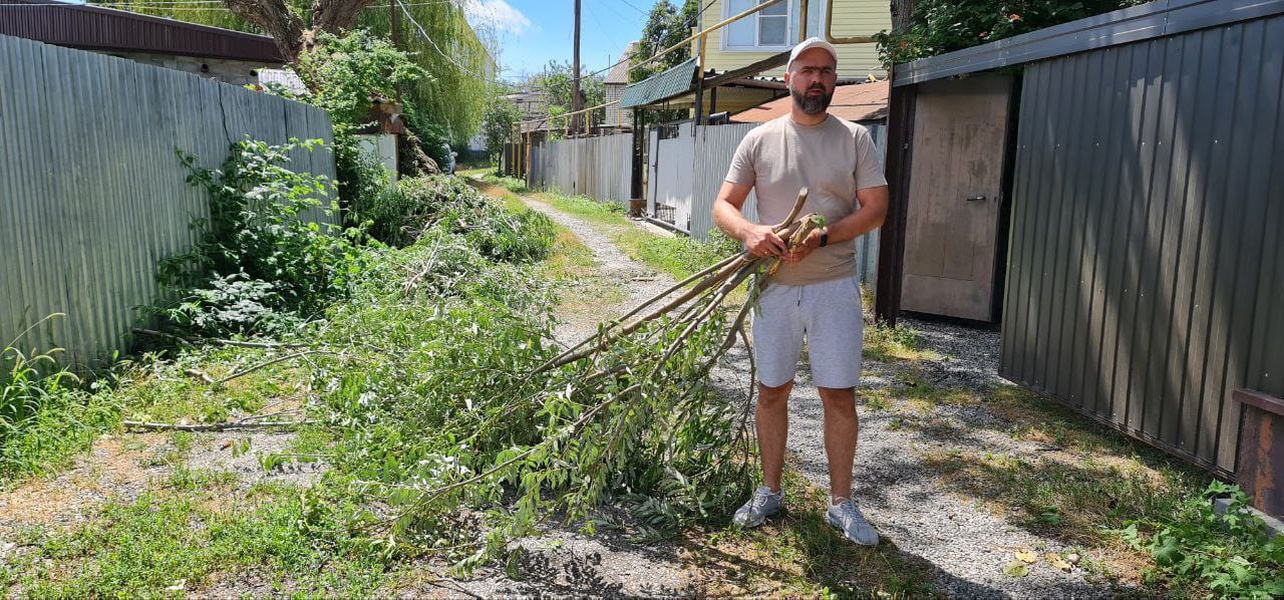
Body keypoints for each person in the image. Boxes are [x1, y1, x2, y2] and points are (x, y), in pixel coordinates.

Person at [712, 37, 889, 545]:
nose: (818, 79)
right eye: (808, 70)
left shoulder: (856, 138)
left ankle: (842, 503)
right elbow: (723, 206)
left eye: (827, 72)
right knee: (773, 391)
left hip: (833, 286)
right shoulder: (759, 139)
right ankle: (770, 491)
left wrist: (826, 235)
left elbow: (876, 208)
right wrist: (749, 232)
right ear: (789, 77)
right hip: (774, 288)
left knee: (838, 394)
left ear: (835, 80)